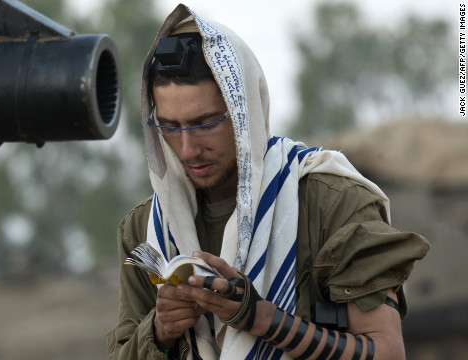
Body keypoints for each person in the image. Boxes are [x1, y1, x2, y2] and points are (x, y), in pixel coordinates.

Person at [107, 4, 430, 360]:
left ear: (245, 113)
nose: (187, 149)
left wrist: (262, 319)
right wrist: (160, 331)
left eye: (205, 123)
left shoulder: (332, 204)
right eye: (170, 126)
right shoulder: (145, 231)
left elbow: (387, 353)